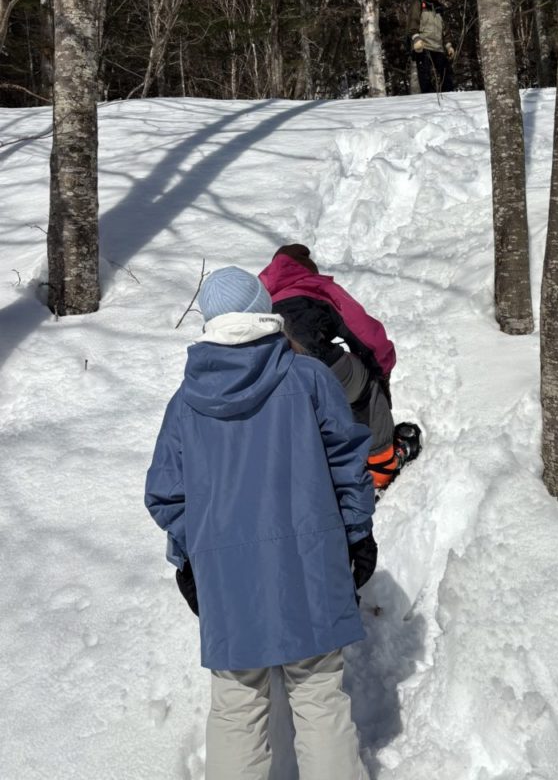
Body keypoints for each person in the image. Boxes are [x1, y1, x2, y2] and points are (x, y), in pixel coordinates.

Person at [145, 265, 375, 780]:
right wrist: (357, 535)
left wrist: (190, 559)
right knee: (319, 698)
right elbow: (348, 464)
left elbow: (165, 493)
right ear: (262, 311)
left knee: (236, 705)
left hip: (227, 581)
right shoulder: (309, 376)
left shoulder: (186, 403)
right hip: (310, 567)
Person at [259, 244, 421, 490]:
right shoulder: (316, 288)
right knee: (367, 386)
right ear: (305, 269)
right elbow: (367, 335)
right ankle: (381, 465)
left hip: (269, 382)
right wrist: (382, 373)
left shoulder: (256, 300)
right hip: (315, 368)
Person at [407, 0, 455, 94]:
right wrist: (416, 39)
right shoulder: (419, 4)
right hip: (422, 46)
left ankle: (447, 97)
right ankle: (429, 100)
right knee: (425, 77)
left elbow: (445, 29)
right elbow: (412, 23)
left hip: (438, 47)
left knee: (446, 73)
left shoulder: (439, 8)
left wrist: (448, 45)